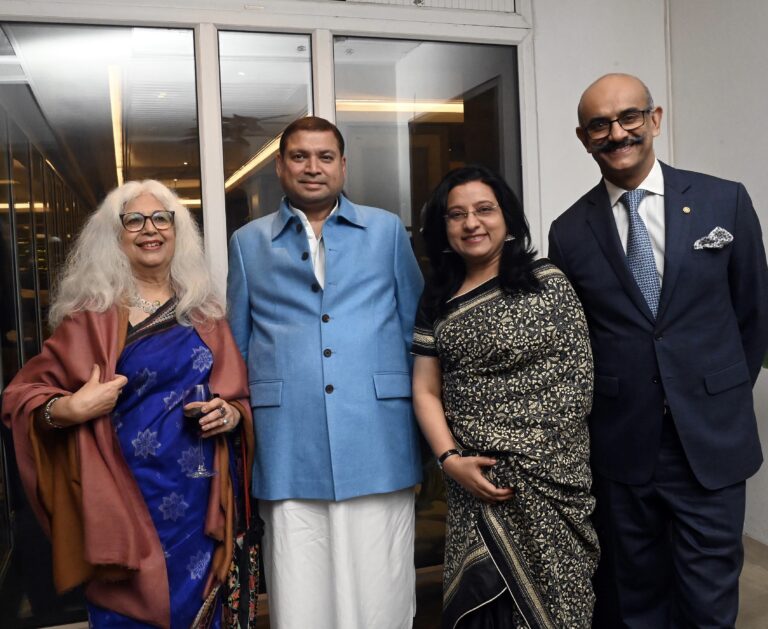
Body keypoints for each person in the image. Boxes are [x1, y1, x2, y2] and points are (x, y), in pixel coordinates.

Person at [548, 73, 768, 628]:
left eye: (629, 117)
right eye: (600, 124)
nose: (617, 133)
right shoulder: (569, 231)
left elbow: (753, 314)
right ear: (583, 137)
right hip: (624, 440)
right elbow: (579, 340)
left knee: (708, 597)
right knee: (637, 596)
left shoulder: (724, 200)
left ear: (655, 119)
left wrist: (716, 391)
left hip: (709, 438)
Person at [1, 180, 253, 629]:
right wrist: (71, 409)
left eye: (160, 218)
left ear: (177, 231)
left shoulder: (203, 311)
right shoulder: (92, 316)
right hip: (121, 496)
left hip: (199, 500)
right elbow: (21, 398)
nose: (149, 229)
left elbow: (236, 396)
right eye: (133, 220)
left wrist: (230, 414)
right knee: (128, 610)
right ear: (114, 236)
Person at [227, 116, 424, 629]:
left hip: (378, 430)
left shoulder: (385, 231)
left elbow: (415, 332)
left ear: (343, 165)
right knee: (298, 586)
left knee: (382, 581)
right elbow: (238, 342)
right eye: (299, 156)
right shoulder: (248, 243)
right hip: (287, 434)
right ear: (279, 166)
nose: (312, 168)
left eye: (325, 157)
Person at [412, 164, 599, 628]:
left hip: (550, 480)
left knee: (559, 609)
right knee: (482, 611)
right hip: (473, 483)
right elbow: (425, 389)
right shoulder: (438, 298)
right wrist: (451, 461)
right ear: (443, 228)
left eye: (484, 210)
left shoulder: (546, 282)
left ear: (508, 219)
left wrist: (524, 456)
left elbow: (578, 378)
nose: (471, 223)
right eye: (456, 215)